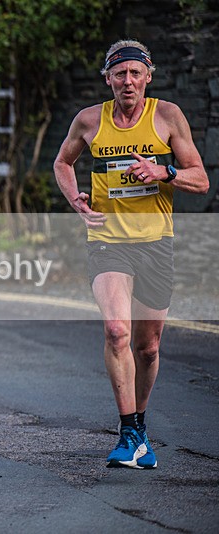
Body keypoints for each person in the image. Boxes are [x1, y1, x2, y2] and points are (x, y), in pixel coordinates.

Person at [53, 39, 208, 469]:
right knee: (117, 331)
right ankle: (129, 432)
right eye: (119, 74)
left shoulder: (168, 116)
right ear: (108, 78)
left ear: (148, 76)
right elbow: (62, 163)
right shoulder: (89, 120)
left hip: (156, 242)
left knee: (148, 348)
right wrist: (76, 201)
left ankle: (140, 422)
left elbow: (201, 179)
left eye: (135, 73)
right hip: (108, 242)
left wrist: (164, 171)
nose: (128, 81)